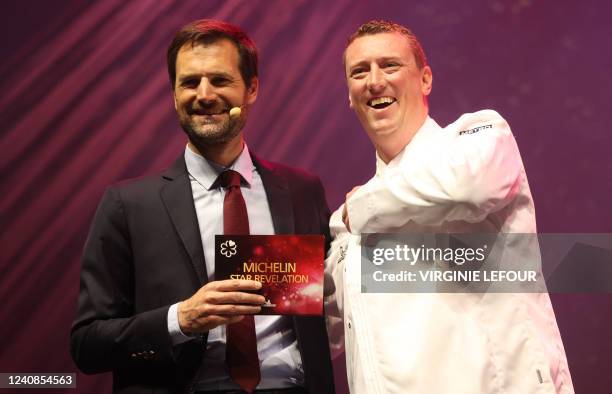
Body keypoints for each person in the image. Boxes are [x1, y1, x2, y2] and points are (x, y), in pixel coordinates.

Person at [71, 19, 335, 394]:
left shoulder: (302, 190)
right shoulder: (127, 206)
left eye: (220, 80)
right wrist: (179, 319)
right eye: (190, 82)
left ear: (252, 88)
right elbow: (87, 345)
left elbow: (335, 297)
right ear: (174, 93)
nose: (204, 94)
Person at [324, 20, 574, 393]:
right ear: (349, 94)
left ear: (425, 79)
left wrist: (361, 206)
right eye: (359, 71)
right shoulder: (347, 221)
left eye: (390, 65)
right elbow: (313, 319)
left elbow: (467, 189)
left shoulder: (479, 136)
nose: (374, 81)